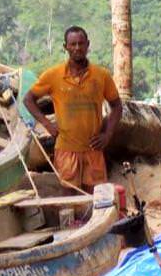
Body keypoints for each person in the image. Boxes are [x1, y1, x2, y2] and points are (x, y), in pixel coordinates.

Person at [23, 26, 123, 192]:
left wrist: (107, 135)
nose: (77, 48)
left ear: (88, 45)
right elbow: (28, 99)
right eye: (73, 44)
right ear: (66, 47)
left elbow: (117, 106)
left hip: (93, 150)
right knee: (68, 198)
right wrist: (47, 124)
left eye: (81, 43)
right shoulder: (53, 75)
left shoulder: (101, 75)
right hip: (66, 150)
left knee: (95, 197)